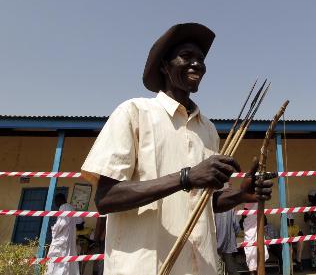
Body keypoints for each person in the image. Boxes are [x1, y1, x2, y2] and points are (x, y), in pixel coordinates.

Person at [81, 23, 273, 275]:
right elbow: (106, 198)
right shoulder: (134, 112)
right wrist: (186, 177)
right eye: (186, 56)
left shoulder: (208, 129)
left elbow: (205, 202)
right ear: (164, 65)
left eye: (201, 59)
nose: (197, 64)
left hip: (201, 266)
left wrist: (238, 196)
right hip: (145, 267)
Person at [45, 193, 80, 275]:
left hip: (62, 238)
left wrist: (53, 230)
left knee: (58, 260)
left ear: (60, 200)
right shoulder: (71, 207)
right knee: (69, 260)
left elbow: (62, 223)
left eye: (56, 201)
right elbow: (80, 221)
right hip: (70, 238)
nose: (55, 204)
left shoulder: (63, 207)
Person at [243, 203, 269, 275]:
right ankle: (253, 271)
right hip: (251, 230)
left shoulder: (258, 203)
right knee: (251, 248)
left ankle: (256, 271)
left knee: (253, 249)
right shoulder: (252, 203)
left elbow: (243, 218)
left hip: (256, 230)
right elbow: (244, 217)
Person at [215, 208, 240, 275]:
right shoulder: (230, 208)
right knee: (231, 268)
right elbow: (237, 226)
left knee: (218, 268)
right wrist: (233, 236)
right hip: (228, 243)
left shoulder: (212, 207)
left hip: (216, 242)